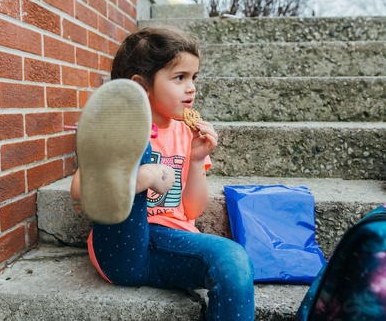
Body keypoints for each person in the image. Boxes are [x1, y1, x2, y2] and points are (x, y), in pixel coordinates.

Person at [70, 26, 255, 320]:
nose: (191, 87)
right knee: (134, 139)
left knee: (233, 260)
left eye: (194, 77)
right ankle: (131, 162)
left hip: (173, 246)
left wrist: (196, 160)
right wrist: (142, 177)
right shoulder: (120, 129)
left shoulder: (186, 133)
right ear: (141, 86)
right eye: (180, 77)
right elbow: (81, 191)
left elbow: (193, 208)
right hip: (122, 246)